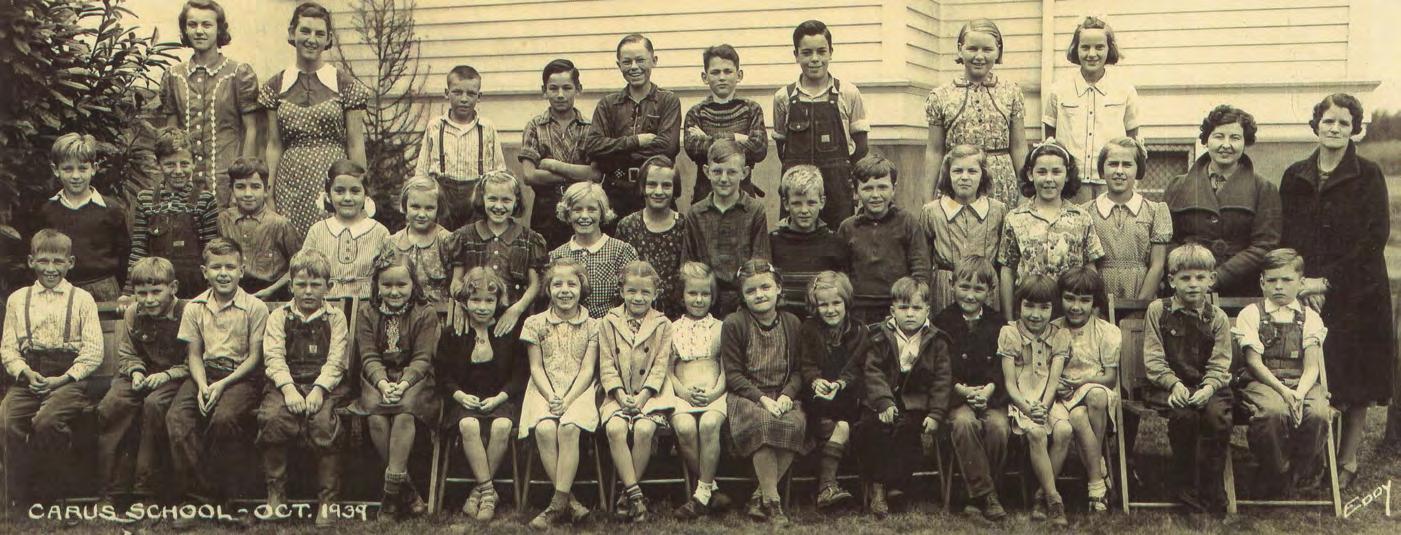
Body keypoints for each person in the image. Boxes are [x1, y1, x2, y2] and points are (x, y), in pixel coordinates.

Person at [1279, 93, 1393, 489]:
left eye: (1344, 123)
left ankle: (1347, 460)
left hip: (1358, 292)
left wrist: (1326, 282)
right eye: (1329, 121)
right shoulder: (1295, 175)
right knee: (1309, 374)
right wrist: (1302, 282)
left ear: (1355, 129)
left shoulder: (1368, 174)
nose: (1335, 128)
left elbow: (1374, 237)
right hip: (1305, 291)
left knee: (1354, 379)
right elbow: (1287, 234)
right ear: (1316, 126)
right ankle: (1310, 457)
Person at [166, 238, 270, 528]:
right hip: (204, 374)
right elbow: (194, 354)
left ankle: (230, 500)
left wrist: (222, 385)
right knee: (177, 419)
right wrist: (202, 386)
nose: (223, 273)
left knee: (224, 419)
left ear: (241, 270)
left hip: (241, 377)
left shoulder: (255, 307)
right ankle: (198, 500)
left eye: (230, 267)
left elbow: (254, 358)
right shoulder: (195, 307)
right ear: (204, 271)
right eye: (216, 267)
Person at [1, 230, 103, 509]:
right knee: (5, 421)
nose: (50, 268)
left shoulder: (82, 299)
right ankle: (20, 494)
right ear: (31, 261)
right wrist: (24, 372)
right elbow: (8, 349)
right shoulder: (17, 299)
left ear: (71, 262)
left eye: (58, 261)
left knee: (46, 422)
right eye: (43, 261)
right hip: (29, 378)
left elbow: (94, 352)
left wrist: (63, 379)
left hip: (68, 379)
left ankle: (53, 492)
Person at [261, 1, 371, 238]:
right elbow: (274, 144)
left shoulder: (344, 84)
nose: (312, 39)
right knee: (292, 243)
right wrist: (269, 193)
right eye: (305, 31)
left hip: (333, 179)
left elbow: (355, 143)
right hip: (289, 182)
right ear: (292, 33)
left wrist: (361, 190)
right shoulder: (276, 86)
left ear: (328, 39)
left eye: (319, 33)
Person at [256, 250, 350, 527]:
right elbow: (273, 357)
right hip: (286, 382)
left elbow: (337, 360)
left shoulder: (335, 318)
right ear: (291, 286)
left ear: (328, 286)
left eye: (315, 285)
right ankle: (276, 494)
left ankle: (328, 499)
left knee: (323, 423)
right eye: (301, 284)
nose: (308, 291)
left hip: (325, 384)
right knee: (273, 418)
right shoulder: (279, 317)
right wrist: (288, 389)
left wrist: (319, 389)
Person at [1141, 243, 1233, 516]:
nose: (1193, 284)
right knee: (1185, 417)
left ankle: (1213, 486)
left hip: (1208, 387)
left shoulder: (1218, 318)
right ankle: (1186, 488)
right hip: (1168, 386)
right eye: (1185, 278)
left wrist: (1209, 387)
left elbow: (1220, 362)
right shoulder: (1158, 311)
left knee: (1217, 417)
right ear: (1172, 281)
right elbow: (1154, 359)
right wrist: (1173, 384)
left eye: (1200, 277)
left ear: (1211, 279)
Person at [1233, 249, 1330, 497]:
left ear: (1301, 283)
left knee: (1318, 413)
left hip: (1302, 382)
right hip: (1263, 381)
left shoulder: (1310, 318)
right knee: (1272, 413)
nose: (1279, 286)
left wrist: (1299, 393)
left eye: (1286, 280)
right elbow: (1254, 363)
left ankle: (1301, 470)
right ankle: (1275, 469)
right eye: (1272, 280)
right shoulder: (1251, 314)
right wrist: (1284, 392)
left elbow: (1312, 366)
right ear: (1262, 282)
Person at [351, 250, 440, 519]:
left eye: (401, 284)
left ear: (413, 283)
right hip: (377, 378)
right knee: (376, 415)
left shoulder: (425, 314)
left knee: (404, 411)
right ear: (376, 285)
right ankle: (407, 490)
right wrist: (381, 383)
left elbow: (422, 358)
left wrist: (402, 385)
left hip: (415, 378)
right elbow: (369, 356)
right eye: (387, 284)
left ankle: (390, 496)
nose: (394, 291)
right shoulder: (367, 313)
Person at [434, 266, 527, 522]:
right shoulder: (454, 333)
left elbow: (520, 375)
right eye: (476, 300)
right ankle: (488, 492)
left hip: (500, 399)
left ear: (498, 302)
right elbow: (442, 375)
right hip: (464, 400)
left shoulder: (508, 332)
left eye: (489, 300)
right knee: (468, 425)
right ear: (465, 301)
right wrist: (460, 396)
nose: (483, 307)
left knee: (502, 426)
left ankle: (478, 493)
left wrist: (500, 398)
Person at [96, 258, 187, 512]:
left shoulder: (186, 313)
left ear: (173, 288)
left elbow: (195, 360)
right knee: (112, 405)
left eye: (156, 292)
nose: (149, 299)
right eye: (142, 293)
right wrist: (136, 372)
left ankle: (146, 490)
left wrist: (167, 375)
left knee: (154, 405)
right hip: (139, 375)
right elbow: (127, 352)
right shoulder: (133, 313)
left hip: (175, 377)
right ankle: (111, 490)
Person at [857, 277, 952, 518]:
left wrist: (936, 413)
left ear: (927, 310)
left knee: (908, 430)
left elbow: (942, 380)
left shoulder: (936, 340)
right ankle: (878, 486)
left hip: (916, 401)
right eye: (903, 307)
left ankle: (897, 485)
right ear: (893, 311)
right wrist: (883, 402)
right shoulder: (880, 335)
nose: (910, 314)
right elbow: (873, 371)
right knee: (871, 427)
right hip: (884, 397)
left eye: (916, 308)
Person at [1163, 104, 1281, 297]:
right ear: (1206, 140)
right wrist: (1192, 275)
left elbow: (1265, 246)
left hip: (1241, 290)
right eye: (1219, 136)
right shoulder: (1178, 185)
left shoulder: (1263, 188)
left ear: (1245, 141)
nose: (1226, 145)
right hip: (1188, 289)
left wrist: (1219, 277)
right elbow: (1165, 239)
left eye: (1235, 138)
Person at [722, 259, 807, 526]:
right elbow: (734, 375)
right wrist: (761, 399)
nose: (759, 294)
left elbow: (799, 371)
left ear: (778, 288)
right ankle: (773, 503)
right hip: (747, 397)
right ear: (742, 295)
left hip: (782, 394)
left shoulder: (792, 323)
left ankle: (759, 496)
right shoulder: (734, 323)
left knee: (794, 424)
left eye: (765, 287)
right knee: (764, 423)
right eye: (751, 290)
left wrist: (787, 395)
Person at [521, 258, 601, 529]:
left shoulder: (593, 326)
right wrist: (551, 396)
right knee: (544, 429)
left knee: (569, 428)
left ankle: (556, 506)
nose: (564, 290)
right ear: (548, 289)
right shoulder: (534, 323)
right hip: (543, 389)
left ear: (582, 288)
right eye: (557, 284)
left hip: (579, 390)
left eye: (571, 284)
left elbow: (588, 369)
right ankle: (570, 502)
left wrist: (567, 399)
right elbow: (535, 367)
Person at [160, 0, 259, 206]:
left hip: (226, 181)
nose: (199, 31)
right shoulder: (174, 76)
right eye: (192, 24)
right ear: (185, 29)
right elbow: (170, 137)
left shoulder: (237, 74)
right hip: (184, 183)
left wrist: (243, 181)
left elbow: (251, 130)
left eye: (206, 24)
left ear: (219, 29)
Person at [932, 255, 1009, 521]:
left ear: (990, 291)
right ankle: (986, 495)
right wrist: (963, 391)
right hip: (957, 396)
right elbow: (940, 367)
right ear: (952, 285)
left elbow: (1002, 365)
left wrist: (988, 390)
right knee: (964, 423)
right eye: (964, 287)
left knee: (999, 427)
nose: (970, 295)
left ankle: (974, 495)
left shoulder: (998, 324)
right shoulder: (942, 322)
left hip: (990, 395)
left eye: (978, 289)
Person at [774, 20, 870, 228]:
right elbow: (782, 150)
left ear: (831, 53)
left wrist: (849, 184)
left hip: (837, 191)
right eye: (807, 53)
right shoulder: (784, 97)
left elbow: (861, 148)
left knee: (839, 239)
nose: (815, 59)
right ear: (796, 55)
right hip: (797, 193)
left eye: (821, 51)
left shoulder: (848, 93)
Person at [598, 261, 675, 522]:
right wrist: (620, 396)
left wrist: (642, 398)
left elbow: (660, 367)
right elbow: (607, 365)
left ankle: (626, 494)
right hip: (617, 393)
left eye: (645, 292)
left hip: (651, 395)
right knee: (615, 429)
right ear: (622, 291)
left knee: (644, 429)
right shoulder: (608, 322)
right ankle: (635, 495)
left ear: (655, 294)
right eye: (631, 291)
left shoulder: (663, 324)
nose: (638, 298)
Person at [924, 19, 1028, 208]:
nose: (979, 56)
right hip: (957, 183)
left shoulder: (1011, 92)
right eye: (972, 49)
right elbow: (934, 151)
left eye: (987, 50)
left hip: (1001, 185)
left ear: (998, 51)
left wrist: (1026, 192)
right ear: (960, 49)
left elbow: (1019, 147)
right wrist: (927, 199)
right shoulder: (941, 95)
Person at [997, 140, 1104, 315]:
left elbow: (1090, 269)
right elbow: (1007, 271)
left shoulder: (1082, 218)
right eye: (1041, 172)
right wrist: (1008, 318)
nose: (1049, 179)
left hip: (1070, 313)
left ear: (1067, 175)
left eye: (1056, 172)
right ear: (1030, 174)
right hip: (1030, 312)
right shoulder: (1015, 218)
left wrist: (1092, 314)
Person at [584, 33, 682, 221]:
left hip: (655, 192)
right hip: (616, 192)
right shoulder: (608, 104)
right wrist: (636, 141)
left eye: (640, 60)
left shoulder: (667, 101)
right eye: (627, 62)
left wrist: (614, 154)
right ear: (619, 65)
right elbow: (593, 146)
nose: (634, 67)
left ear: (654, 61)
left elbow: (667, 147)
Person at [998, 274, 1071, 526]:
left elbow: (1054, 380)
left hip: (1048, 400)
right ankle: (1054, 500)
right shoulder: (1010, 333)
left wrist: (1045, 406)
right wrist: (1028, 409)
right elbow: (1009, 383)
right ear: (1019, 305)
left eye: (1044, 307)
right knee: (1037, 433)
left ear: (1053, 308)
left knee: (1064, 430)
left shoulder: (1060, 335)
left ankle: (1040, 495)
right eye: (1029, 306)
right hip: (1021, 401)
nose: (1036, 315)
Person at [1043, 16, 1140, 202]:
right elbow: (1050, 143)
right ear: (1076, 49)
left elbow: (1132, 143)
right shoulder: (1058, 90)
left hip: (1110, 183)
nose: (1092, 54)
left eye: (1099, 47)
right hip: (1071, 185)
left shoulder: (1125, 91)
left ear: (1109, 49)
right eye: (1085, 47)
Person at [1049, 267, 1120, 513]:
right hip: (1061, 397)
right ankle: (1097, 476)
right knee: (1078, 416)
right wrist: (1057, 384)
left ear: (1094, 302)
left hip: (1094, 390)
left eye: (1084, 300)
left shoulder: (1106, 331)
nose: (1076, 307)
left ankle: (1094, 479)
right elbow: (1045, 372)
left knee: (1096, 395)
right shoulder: (1053, 329)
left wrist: (1081, 382)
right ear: (1060, 298)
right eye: (1069, 298)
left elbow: (1109, 378)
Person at [796, 271, 867, 510]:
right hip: (817, 394)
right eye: (823, 305)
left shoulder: (859, 330)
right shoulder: (809, 329)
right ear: (814, 306)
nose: (830, 310)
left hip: (847, 394)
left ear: (846, 302)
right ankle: (827, 486)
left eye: (836, 303)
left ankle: (826, 485)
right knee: (830, 424)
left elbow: (857, 367)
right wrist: (816, 381)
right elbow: (806, 364)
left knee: (844, 425)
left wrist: (840, 384)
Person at [123, 128, 220, 302]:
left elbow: (211, 253)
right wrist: (129, 291)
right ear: (158, 164)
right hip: (155, 291)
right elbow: (139, 250)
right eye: (170, 165)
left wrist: (212, 293)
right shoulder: (146, 199)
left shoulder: (205, 200)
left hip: (195, 291)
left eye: (184, 164)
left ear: (194, 163)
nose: (178, 171)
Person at [444, 171, 547, 332]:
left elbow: (534, 284)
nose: (498, 206)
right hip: (474, 317)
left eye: (506, 200)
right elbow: (456, 281)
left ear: (516, 202)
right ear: (482, 199)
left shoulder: (530, 239)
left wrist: (516, 310)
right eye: (492, 199)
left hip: (513, 321)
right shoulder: (464, 237)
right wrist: (461, 304)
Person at [680, 140, 771, 317]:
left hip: (744, 304)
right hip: (705, 302)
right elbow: (688, 265)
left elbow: (760, 262)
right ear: (706, 171)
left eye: (731, 172)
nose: (723, 179)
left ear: (744, 173)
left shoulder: (755, 211)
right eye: (717, 171)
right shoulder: (696, 213)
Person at [667, 262, 730, 518]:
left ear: (713, 297)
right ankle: (712, 489)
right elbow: (667, 371)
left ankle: (701, 493)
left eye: (705, 293)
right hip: (682, 394)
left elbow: (727, 370)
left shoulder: (721, 327)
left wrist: (715, 392)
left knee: (709, 424)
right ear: (682, 296)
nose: (699, 299)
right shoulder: (671, 328)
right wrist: (682, 392)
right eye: (692, 293)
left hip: (715, 393)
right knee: (684, 427)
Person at [36, 133, 130, 302]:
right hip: (60, 289)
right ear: (55, 170)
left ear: (94, 168)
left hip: (103, 290)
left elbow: (125, 255)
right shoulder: (48, 211)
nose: (76, 176)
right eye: (68, 169)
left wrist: (125, 292)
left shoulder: (111, 210)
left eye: (82, 168)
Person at [414, 65, 509, 232]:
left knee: (474, 242)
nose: (464, 99)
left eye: (471, 94)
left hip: (477, 202)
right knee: (443, 241)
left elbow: (499, 171)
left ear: (479, 96)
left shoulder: (487, 128)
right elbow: (421, 172)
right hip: (443, 202)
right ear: (446, 93)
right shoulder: (435, 127)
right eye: (457, 92)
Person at [838, 155, 931, 323]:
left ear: (893, 189)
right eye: (867, 189)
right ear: (855, 192)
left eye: (882, 187)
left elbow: (920, 271)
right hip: (858, 310)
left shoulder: (908, 223)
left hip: (898, 308)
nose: (876, 195)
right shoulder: (848, 228)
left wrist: (909, 305)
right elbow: (841, 274)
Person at [520, 59, 602, 249]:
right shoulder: (535, 126)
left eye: (567, 88)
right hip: (545, 210)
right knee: (545, 259)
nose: (560, 95)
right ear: (544, 90)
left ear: (578, 89)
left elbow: (595, 174)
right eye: (553, 88)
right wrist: (576, 173)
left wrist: (552, 165)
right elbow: (529, 175)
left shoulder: (590, 128)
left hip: (581, 208)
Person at [921, 145, 1007, 313]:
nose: (964, 177)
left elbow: (1003, 261)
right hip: (945, 289)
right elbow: (924, 260)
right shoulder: (932, 211)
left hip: (985, 288)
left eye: (972, 171)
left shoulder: (997, 210)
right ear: (948, 175)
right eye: (958, 171)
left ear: (983, 175)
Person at [1085, 137, 1170, 300]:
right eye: (1112, 164)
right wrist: (1099, 303)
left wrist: (1139, 305)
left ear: (1138, 170)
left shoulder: (1154, 211)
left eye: (1127, 164)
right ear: (1102, 170)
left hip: (1142, 295)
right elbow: (1088, 266)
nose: (1119, 171)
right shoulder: (1086, 212)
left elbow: (1157, 266)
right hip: (1099, 295)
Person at [684, 44, 768, 202]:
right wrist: (738, 138)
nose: (722, 77)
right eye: (715, 72)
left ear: (739, 75)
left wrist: (708, 139)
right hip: (705, 194)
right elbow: (692, 149)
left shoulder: (751, 109)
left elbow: (759, 149)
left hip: (743, 193)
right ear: (705, 77)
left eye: (728, 71)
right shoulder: (696, 113)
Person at [299, 160, 391, 299]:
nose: (347, 198)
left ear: (365, 194)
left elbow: (390, 276)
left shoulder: (380, 232)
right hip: (326, 304)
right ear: (328, 195)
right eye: (339, 191)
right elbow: (303, 272)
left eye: (355, 191)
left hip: (368, 304)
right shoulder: (317, 231)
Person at [548, 182, 639, 318]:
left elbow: (633, 296)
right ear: (568, 214)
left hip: (611, 327)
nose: (584, 216)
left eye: (591, 209)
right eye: (577, 210)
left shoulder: (620, 251)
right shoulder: (558, 255)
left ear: (602, 213)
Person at [218, 157, 303, 300]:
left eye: (255, 187)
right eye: (240, 187)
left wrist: (271, 290)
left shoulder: (280, 224)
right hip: (234, 296)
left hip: (273, 297)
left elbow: (300, 266)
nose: (248, 194)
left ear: (266, 190)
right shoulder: (224, 220)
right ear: (231, 189)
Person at [615, 157, 687, 318]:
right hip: (637, 311)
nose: (659, 191)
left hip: (676, 315)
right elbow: (620, 276)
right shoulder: (627, 226)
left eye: (666, 185)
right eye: (652, 184)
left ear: (675, 188)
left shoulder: (684, 226)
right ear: (642, 187)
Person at [770, 165, 850, 304]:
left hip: (821, 314)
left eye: (811, 203)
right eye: (796, 203)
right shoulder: (773, 241)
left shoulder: (835, 242)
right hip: (785, 315)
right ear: (786, 204)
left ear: (822, 202)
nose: (804, 210)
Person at [384, 177, 453, 311]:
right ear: (405, 206)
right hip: (401, 314)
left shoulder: (447, 240)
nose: (422, 214)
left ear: (438, 208)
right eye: (415, 207)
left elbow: (457, 283)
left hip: (438, 314)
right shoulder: (392, 242)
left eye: (429, 208)